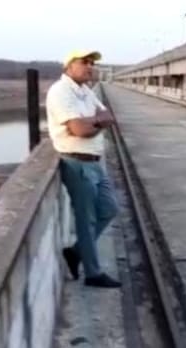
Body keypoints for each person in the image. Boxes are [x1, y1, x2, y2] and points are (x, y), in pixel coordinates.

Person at [46, 49, 121, 288]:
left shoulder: (86, 91)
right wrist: (98, 122)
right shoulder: (60, 92)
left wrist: (93, 123)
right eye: (83, 62)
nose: (90, 67)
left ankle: (76, 252)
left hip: (95, 162)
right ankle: (93, 273)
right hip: (76, 163)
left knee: (109, 209)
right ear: (68, 67)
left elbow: (108, 115)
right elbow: (80, 130)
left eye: (92, 63)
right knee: (86, 220)